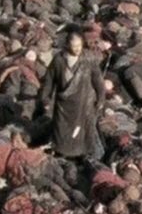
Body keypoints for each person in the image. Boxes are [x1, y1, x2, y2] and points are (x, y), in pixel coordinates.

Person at [38, 32, 105, 161]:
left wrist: (101, 98)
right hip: (64, 105)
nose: (77, 49)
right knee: (62, 132)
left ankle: (84, 156)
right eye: (74, 46)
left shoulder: (88, 58)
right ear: (68, 45)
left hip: (84, 102)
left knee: (84, 132)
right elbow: (49, 80)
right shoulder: (59, 60)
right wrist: (45, 99)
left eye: (79, 45)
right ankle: (62, 153)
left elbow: (97, 79)